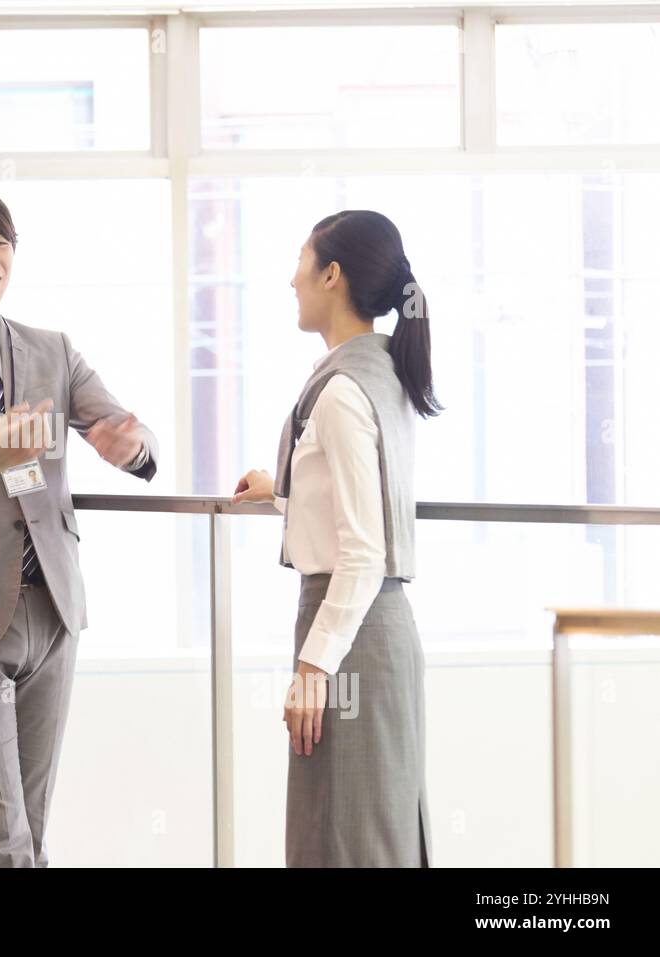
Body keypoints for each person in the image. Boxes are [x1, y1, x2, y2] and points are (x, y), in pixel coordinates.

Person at [0, 183, 159, 867]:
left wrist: (130, 445)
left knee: (31, 825)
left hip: (52, 610)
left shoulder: (50, 349)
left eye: (1, 243)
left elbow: (125, 427)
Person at [232, 210, 440, 867]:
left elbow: (362, 550)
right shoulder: (380, 375)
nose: (291, 279)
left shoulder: (343, 391)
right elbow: (359, 504)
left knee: (346, 840)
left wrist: (312, 666)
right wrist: (286, 488)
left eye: (301, 260)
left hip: (349, 629)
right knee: (362, 831)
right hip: (371, 628)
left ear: (332, 273)